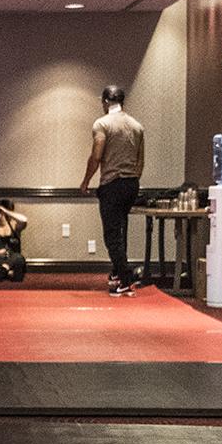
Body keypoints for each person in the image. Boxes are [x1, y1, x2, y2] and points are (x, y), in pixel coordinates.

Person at [79, 85, 144, 295]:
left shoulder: (102, 124)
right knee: (122, 229)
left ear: (106, 102)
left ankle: (125, 279)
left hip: (112, 183)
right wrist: (132, 179)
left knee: (112, 235)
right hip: (131, 183)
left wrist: (86, 180)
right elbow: (140, 161)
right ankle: (117, 273)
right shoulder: (137, 126)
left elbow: (97, 155)